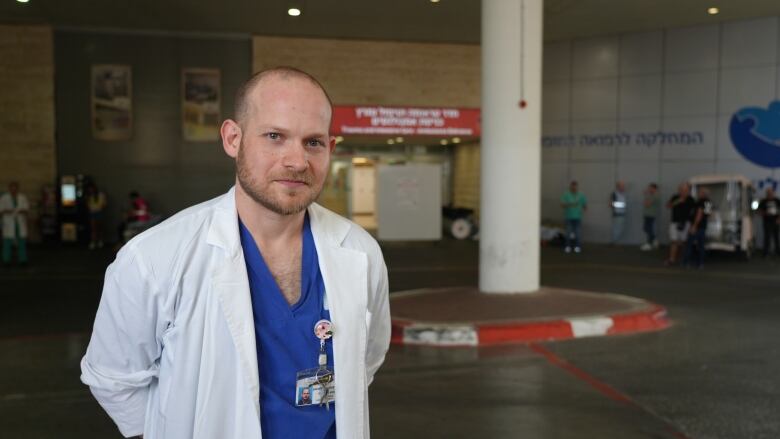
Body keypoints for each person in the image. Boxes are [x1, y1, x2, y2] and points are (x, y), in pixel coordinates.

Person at [81, 67, 391, 439]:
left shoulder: (360, 252)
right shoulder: (153, 259)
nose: (296, 161)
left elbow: (365, 360)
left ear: (331, 148)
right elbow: (113, 378)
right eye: (275, 136)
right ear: (232, 138)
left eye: (313, 142)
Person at [665, 182, 695, 266]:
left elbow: (694, 212)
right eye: (681, 190)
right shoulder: (675, 197)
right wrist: (678, 201)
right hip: (674, 222)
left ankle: (684, 259)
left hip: (686, 223)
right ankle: (672, 259)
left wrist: (693, 225)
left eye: (685, 190)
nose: (683, 191)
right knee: (674, 241)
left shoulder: (691, 199)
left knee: (684, 242)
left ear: (688, 190)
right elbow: (668, 206)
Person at [1, 181, 29, 266]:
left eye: (15, 188)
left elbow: (26, 209)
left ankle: (23, 260)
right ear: (9, 189)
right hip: (9, 223)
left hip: (20, 223)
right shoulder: (4, 198)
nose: (13, 190)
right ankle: (6, 260)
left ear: (18, 188)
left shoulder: (22, 197)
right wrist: (9, 211)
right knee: (7, 243)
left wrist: (20, 211)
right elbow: (1, 210)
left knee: (22, 242)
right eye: (12, 188)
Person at [683, 187, 712, 268]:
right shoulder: (708, 202)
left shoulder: (700, 202)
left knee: (689, 244)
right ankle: (700, 263)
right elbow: (709, 214)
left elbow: (699, 214)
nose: (698, 193)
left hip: (697, 226)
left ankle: (686, 262)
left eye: (700, 192)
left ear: (703, 194)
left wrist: (694, 226)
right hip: (703, 226)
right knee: (701, 246)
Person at [561, 180, 587, 253]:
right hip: (568, 217)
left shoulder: (581, 195)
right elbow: (562, 205)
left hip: (578, 217)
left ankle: (577, 247)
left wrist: (583, 209)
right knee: (568, 233)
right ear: (570, 187)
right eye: (572, 186)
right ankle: (567, 246)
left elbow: (585, 205)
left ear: (577, 187)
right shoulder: (566, 194)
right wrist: (570, 204)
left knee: (578, 233)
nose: (574, 188)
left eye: (575, 187)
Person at [757, 187, 780, 257]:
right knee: (767, 237)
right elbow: (759, 211)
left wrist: (779, 219)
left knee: (776, 237)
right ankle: (766, 252)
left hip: (776, 221)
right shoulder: (763, 201)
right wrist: (765, 213)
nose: (770, 194)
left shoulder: (777, 201)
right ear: (766, 193)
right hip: (767, 222)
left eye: (771, 193)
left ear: (773, 193)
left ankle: (777, 252)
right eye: (768, 193)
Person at [85, 182, 107, 249]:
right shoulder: (88, 196)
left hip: (99, 212)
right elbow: (87, 205)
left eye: (91, 188)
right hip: (92, 213)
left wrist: (100, 208)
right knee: (93, 229)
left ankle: (100, 241)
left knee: (100, 227)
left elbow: (104, 204)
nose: (91, 190)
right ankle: (93, 242)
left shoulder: (100, 195)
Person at [640, 183, 660, 251]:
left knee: (648, 229)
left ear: (654, 189)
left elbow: (647, 204)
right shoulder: (651, 195)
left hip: (651, 215)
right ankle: (654, 240)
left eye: (650, 188)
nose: (649, 189)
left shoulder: (655, 196)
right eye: (649, 188)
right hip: (647, 215)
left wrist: (646, 195)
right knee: (647, 228)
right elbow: (646, 203)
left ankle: (649, 243)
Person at [609, 180, 627, 245]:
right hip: (617, 214)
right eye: (622, 186)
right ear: (618, 187)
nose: (623, 187)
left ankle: (614, 241)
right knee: (616, 229)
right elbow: (610, 204)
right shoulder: (614, 194)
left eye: (623, 186)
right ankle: (613, 241)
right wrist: (622, 205)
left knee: (620, 229)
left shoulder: (624, 194)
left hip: (622, 214)